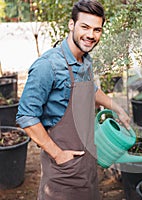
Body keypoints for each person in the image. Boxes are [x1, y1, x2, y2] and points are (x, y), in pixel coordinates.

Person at [16, 0, 130, 199]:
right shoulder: (48, 65)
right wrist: (58, 154)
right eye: (85, 27)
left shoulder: (85, 60)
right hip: (62, 175)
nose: (91, 35)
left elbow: (91, 90)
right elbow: (26, 116)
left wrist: (117, 107)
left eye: (97, 30)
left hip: (88, 167)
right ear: (71, 25)